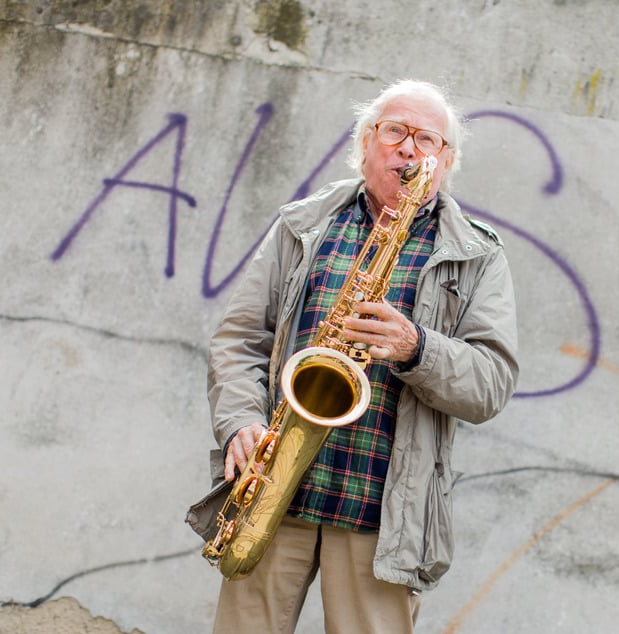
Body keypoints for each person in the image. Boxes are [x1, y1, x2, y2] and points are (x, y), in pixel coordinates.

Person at [205, 79, 519, 634]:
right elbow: (238, 339)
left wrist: (415, 346)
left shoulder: (479, 255)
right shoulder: (302, 223)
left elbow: (490, 384)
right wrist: (240, 423)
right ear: (366, 141)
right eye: (394, 130)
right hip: (275, 489)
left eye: (427, 139)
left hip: (380, 515)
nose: (408, 148)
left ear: (445, 161)